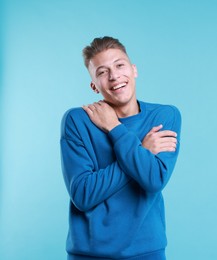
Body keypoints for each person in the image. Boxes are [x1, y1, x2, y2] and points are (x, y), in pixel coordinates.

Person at [60, 36, 181, 260]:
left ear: (134, 70)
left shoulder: (164, 116)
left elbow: (153, 180)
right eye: (102, 72)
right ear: (94, 86)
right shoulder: (77, 120)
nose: (114, 76)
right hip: (89, 254)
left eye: (119, 65)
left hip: (147, 252)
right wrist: (141, 151)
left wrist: (114, 128)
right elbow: (83, 194)